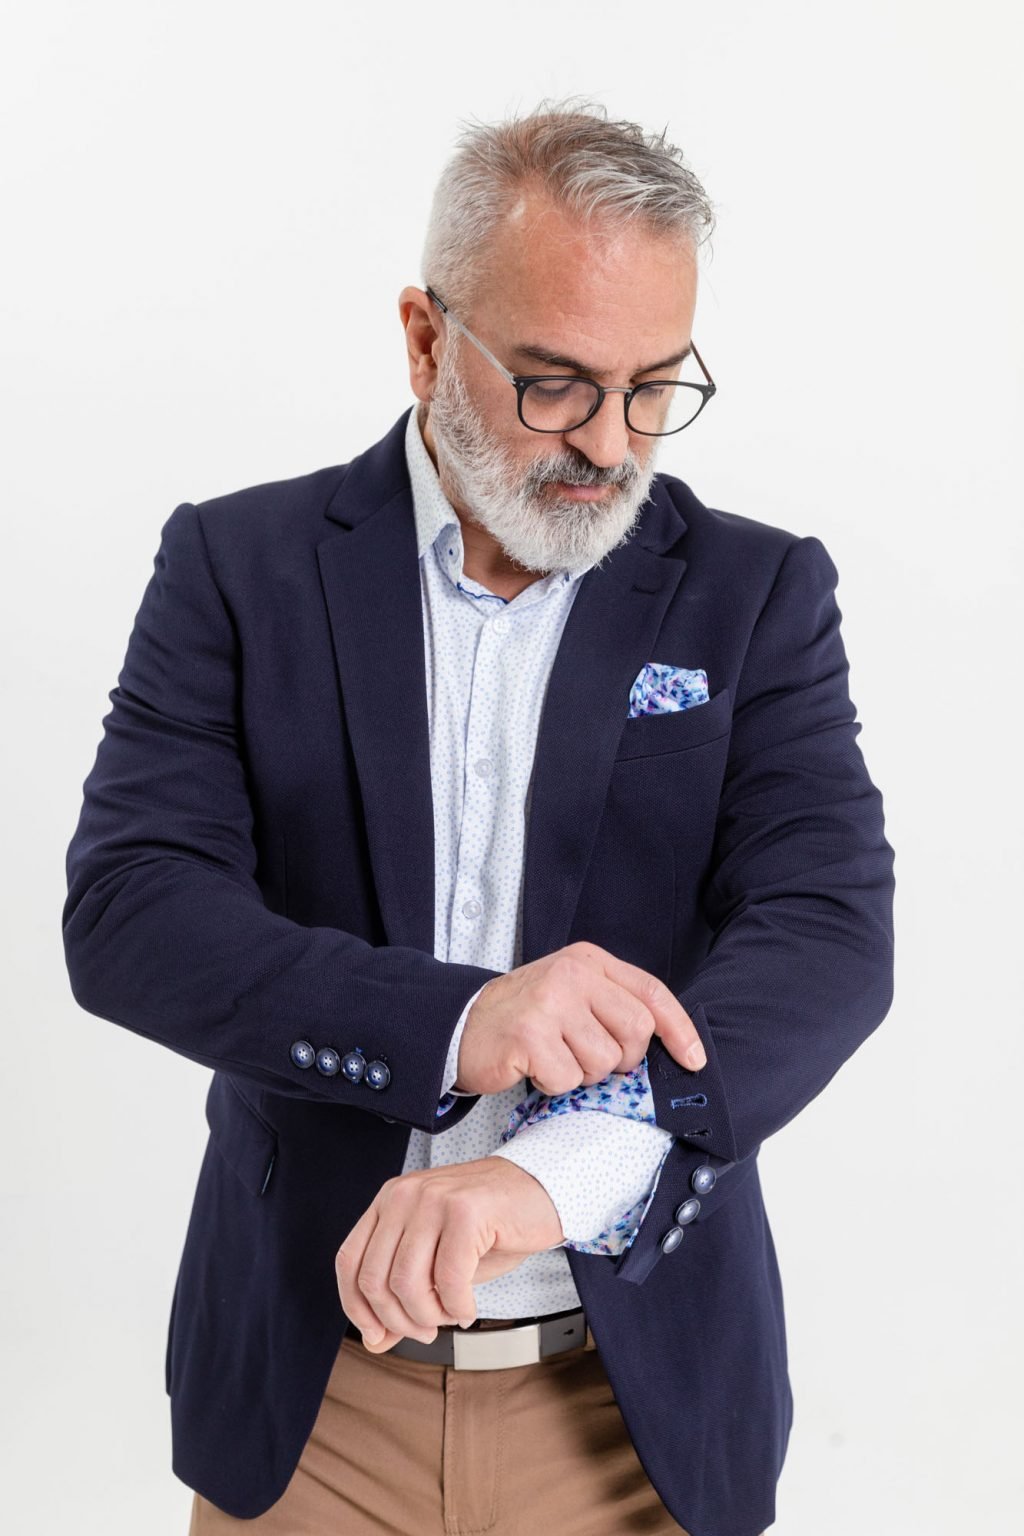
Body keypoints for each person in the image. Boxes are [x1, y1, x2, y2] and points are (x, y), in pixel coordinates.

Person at [61, 100, 895, 1536]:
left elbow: (826, 936)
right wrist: (458, 1022)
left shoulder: (757, 595)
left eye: (654, 386)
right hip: (314, 1409)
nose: (612, 443)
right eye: (556, 384)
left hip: (630, 1416)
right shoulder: (237, 567)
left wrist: (548, 1174)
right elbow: (134, 911)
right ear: (425, 338)